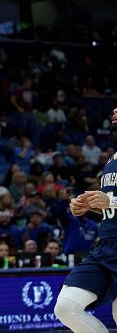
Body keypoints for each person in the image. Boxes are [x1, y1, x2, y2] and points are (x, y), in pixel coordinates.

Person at [55, 107, 117, 333]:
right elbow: (111, 206)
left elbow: (113, 202)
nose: (115, 110)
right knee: (66, 307)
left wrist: (110, 202)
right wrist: (89, 206)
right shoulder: (112, 159)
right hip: (106, 246)